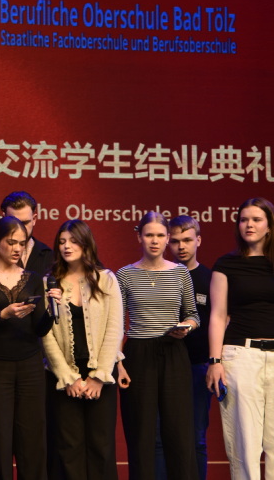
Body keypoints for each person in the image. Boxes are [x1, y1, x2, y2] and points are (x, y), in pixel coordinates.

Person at [116, 211, 200, 480]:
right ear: (139, 237)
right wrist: (118, 363)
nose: (155, 241)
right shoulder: (125, 274)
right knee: (141, 432)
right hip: (138, 353)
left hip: (174, 351)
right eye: (149, 235)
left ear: (167, 239)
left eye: (160, 235)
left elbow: (193, 314)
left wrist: (186, 327)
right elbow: (116, 323)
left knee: (179, 431)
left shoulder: (180, 273)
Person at [42, 219, 123, 480]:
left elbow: (114, 329)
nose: (66, 246)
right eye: (62, 242)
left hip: (100, 375)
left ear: (86, 244)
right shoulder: (50, 282)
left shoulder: (106, 279)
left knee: (101, 446)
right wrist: (67, 377)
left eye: (73, 241)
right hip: (64, 377)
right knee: (68, 448)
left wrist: (99, 376)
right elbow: (46, 335)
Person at [0, 215, 53, 480]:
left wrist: (53, 310)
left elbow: (40, 329)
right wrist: (2, 315)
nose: (17, 248)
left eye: (22, 243)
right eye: (11, 242)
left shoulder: (32, 278)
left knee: (32, 439)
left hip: (30, 364)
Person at [207, 197, 274, 480]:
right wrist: (215, 361)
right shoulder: (227, 264)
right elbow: (218, 315)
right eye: (244, 220)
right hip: (241, 355)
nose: (249, 225)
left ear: (269, 226)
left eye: (256, 219)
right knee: (245, 443)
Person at [154, 215, 213, 480]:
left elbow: (220, 322)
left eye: (187, 240)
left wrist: (215, 362)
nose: (181, 246)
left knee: (196, 437)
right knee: (160, 437)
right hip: (163, 364)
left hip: (198, 366)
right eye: (176, 241)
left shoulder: (210, 278)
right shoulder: (158, 275)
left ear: (198, 240)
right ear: (168, 242)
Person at [0, 191, 54, 275]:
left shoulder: (50, 258)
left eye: (25, 223)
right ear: (4, 219)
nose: (20, 228)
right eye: (14, 222)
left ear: (34, 219)